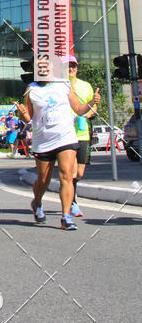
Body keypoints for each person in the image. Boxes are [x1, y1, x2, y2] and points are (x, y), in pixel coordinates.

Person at [18, 55, 100, 230]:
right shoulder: (31, 89)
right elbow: (28, 118)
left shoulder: (63, 84)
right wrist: (22, 113)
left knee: (66, 175)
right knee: (43, 181)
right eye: (39, 66)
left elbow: (78, 109)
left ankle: (66, 216)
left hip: (65, 137)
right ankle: (37, 203)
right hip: (43, 141)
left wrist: (91, 102)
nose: (43, 69)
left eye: (46, 66)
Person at [68, 55, 97, 217]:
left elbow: (93, 107)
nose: (70, 69)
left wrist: (87, 115)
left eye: (73, 66)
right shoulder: (60, 86)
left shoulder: (86, 86)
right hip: (66, 135)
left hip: (83, 133)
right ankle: (72, 202)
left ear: (77, 68)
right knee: (71, 173)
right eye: (67, 66)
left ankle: (68, 189)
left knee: (79, 173)